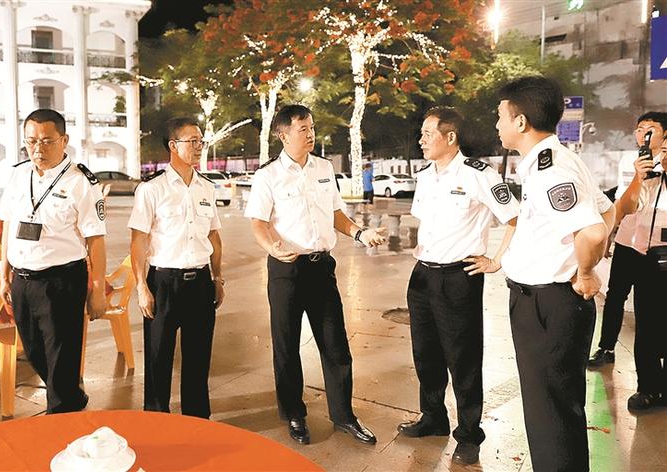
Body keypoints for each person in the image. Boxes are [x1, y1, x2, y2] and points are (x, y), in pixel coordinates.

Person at [245, 104, 386, 445]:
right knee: (286, 345)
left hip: (322, 268)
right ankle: (294, 413)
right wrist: (272, 247)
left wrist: (360, 232)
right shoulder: (268, 175)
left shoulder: (323, 168)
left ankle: (344, 415)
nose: (310, 134)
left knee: (335, 344)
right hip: (287, 269)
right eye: (303, 129)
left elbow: (336, 213)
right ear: (283, 135)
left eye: (311, 127)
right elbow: (258, 223)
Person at [495, 77, 615, 471]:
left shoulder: (551, 169)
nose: (497, 124)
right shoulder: (554, 160)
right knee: (556, 409)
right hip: (546, 302)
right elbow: (608, 212)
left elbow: (593, 231)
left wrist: (586, 271)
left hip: (548, 304)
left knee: (550, 415)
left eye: (500, 116)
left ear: (521, 122)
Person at [398, 107, 519, 465]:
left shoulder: (479, 174)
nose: (421, 140)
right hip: (423, 275)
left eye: (428, 134)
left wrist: (496, 260)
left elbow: (515, 218)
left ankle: (468, 434)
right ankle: (432, 417)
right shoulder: (425, 176)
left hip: (458, 278)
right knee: (426, 355)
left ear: (450, 137)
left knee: (463, 359)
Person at [0, 109, 107, 414]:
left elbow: (96, 241)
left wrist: (98, 289)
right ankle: (72, 396)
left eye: (46, 141)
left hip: (62, 281)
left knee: (61, 356)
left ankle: (62, 416)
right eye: (31, 141)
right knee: (34, 351)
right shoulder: (19, 175)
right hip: (22, 280)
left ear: (64, 140)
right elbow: (8, 226)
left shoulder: (81, 182)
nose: (38, 148)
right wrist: (4, 275)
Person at [129, 117, 224, 418]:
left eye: (200, 141)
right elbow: (138, 241)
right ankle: (157, 419)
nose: (198, 146)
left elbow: (214, 236)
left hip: (200, 283)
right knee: (158, 357)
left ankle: (197, 420)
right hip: (163, 283)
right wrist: (141, 287)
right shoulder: (152, 189)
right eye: (192, 141)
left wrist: (218, 278)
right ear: (173, 145)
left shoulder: (206, 187)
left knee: (198, 358)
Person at [589, 112, 667, 368]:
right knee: (614, 296)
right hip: (628, 241)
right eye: (639, 129)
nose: (643, 134)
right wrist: (609, 235)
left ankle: (651, 360)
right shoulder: (628, 161)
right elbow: (624, 205)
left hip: (659, 249)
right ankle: (606, 348)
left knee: (651, 306)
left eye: (650, 129)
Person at [615, 140, 667, 410]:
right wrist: (638, 178)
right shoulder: (650, 182)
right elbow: (624, 207)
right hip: (647, 263)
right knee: (646, 328)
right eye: (665, 151)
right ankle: (647, 387)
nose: (665, 157)